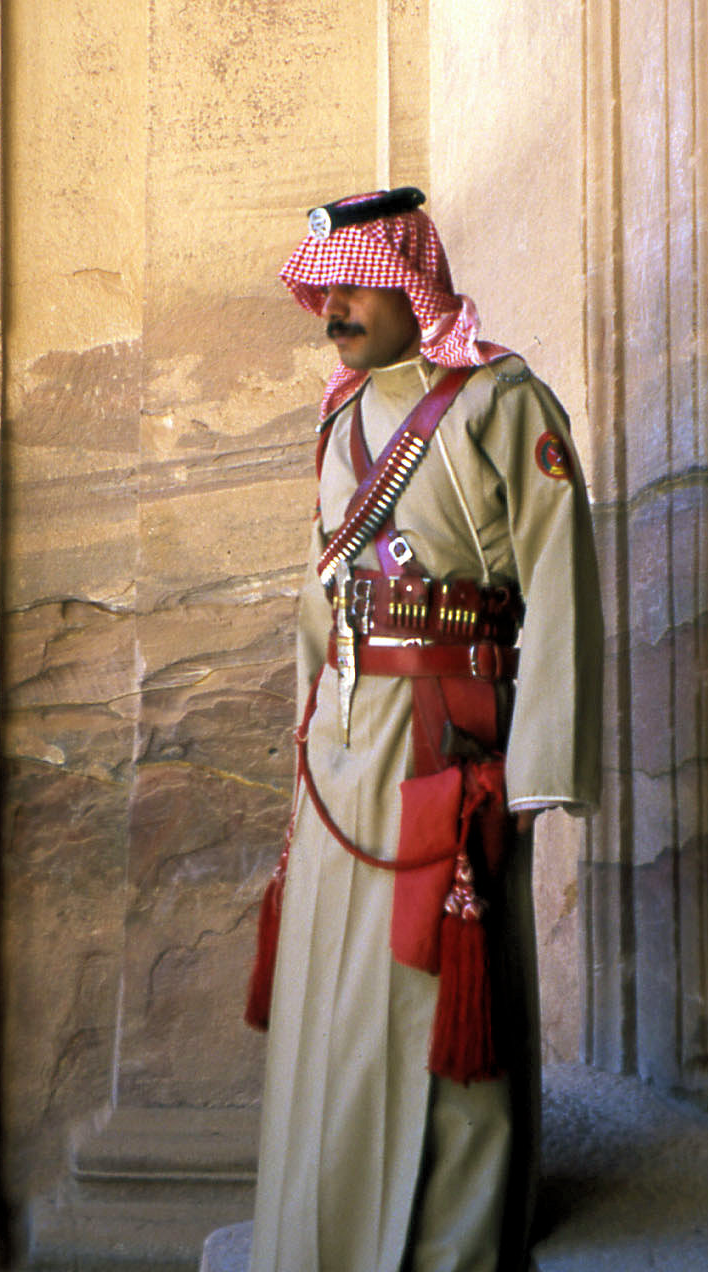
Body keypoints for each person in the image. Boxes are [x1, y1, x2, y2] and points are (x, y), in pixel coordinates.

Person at [247, 188, 603, 1272]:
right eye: (324, 286)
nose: (335, 306)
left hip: (447, 739)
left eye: (356, 282)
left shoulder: (501, 401)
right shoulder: (342, 411)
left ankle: (445, 1238)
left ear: (411, 282)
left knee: (428, 985)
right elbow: (324, 593)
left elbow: (561, 581)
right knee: (335, 990)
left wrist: (540, 768)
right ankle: (324, 1221)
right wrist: (307, 735)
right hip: (344, 741)